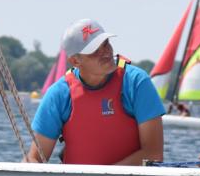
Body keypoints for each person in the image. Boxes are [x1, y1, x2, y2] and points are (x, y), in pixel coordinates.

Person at [24, 19, 164, 165]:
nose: (106, 52)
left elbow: (153, 153)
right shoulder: (59, 94)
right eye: (95, 50)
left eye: (106, 43)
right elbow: (35, 158)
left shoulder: (136, 82)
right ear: (75, 61)